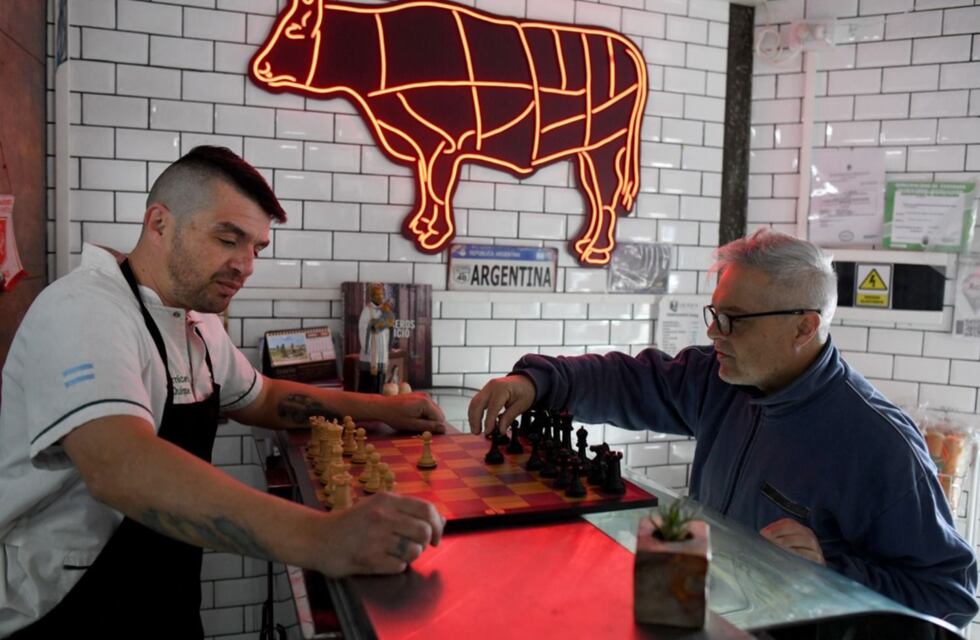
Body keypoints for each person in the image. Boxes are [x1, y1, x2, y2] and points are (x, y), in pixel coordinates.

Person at [0, 146, 447, 638]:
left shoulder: (196, 319)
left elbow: (262, 398)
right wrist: (319, 536)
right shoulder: (83, 309)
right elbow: (117, 466)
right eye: (227, 238)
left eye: (255, 248)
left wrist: (385, 408)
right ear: (159, 223)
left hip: (160, 594)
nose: (245, 265)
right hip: (58, 607)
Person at [468, 229, 978, 627]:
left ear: (804, 326)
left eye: (735, 319)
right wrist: (539, 382)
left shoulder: (880, 445)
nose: (714, 333)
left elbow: (951, 597)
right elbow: (627, 381)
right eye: (715, 314)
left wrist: (834, 570)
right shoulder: (718, 380)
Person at [357, 282, 394, 393]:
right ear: (372, 296)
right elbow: (366, 328)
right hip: (371, 355)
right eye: (378, 295)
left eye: (382, 294)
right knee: (369, 384)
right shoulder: (367, 311)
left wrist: (387, 318)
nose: (381, 297)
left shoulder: (385, 310)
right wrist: (382, 323)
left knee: (379, 383)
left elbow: (390, 324)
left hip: (381, 353)